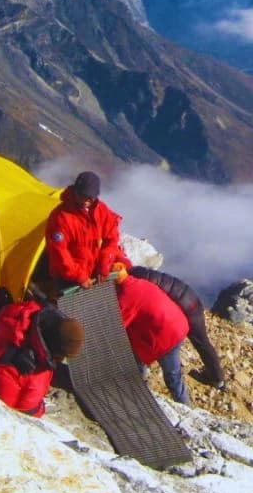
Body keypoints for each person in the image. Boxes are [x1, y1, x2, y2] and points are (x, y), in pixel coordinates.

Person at [0, 301, 84, 417]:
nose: (61, 360)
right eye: (61, 355)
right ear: (54, 347)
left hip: (23, 403)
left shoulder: (33, 339)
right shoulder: (13, 365)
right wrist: (38, 409)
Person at [130, 266, 226, 389]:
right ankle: (217, 377)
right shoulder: (146, 274)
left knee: (201, 343)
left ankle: (217, 379)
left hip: (187, 310)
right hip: (192, 300)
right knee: (203, 343)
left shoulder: (141, 283)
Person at [44, 171, 132, 289]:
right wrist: (79, 276)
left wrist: (104, 264)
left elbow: (111, 238)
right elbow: (59, 254)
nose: (86, 201)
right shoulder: (60, 217)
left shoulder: (101, 210)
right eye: (82, 195)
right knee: (76, 307)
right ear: (75, 191)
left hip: (93, 273)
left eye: (90, 198)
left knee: (99, 306)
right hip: (68, 278)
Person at [116, 274, 191, 404]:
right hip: (177, 324)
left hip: (167, 335)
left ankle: (138, 391)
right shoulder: (138, 282)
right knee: (174, 375)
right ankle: (139, 388)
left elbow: (116, 326)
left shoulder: (126, 295)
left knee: (172, 377)